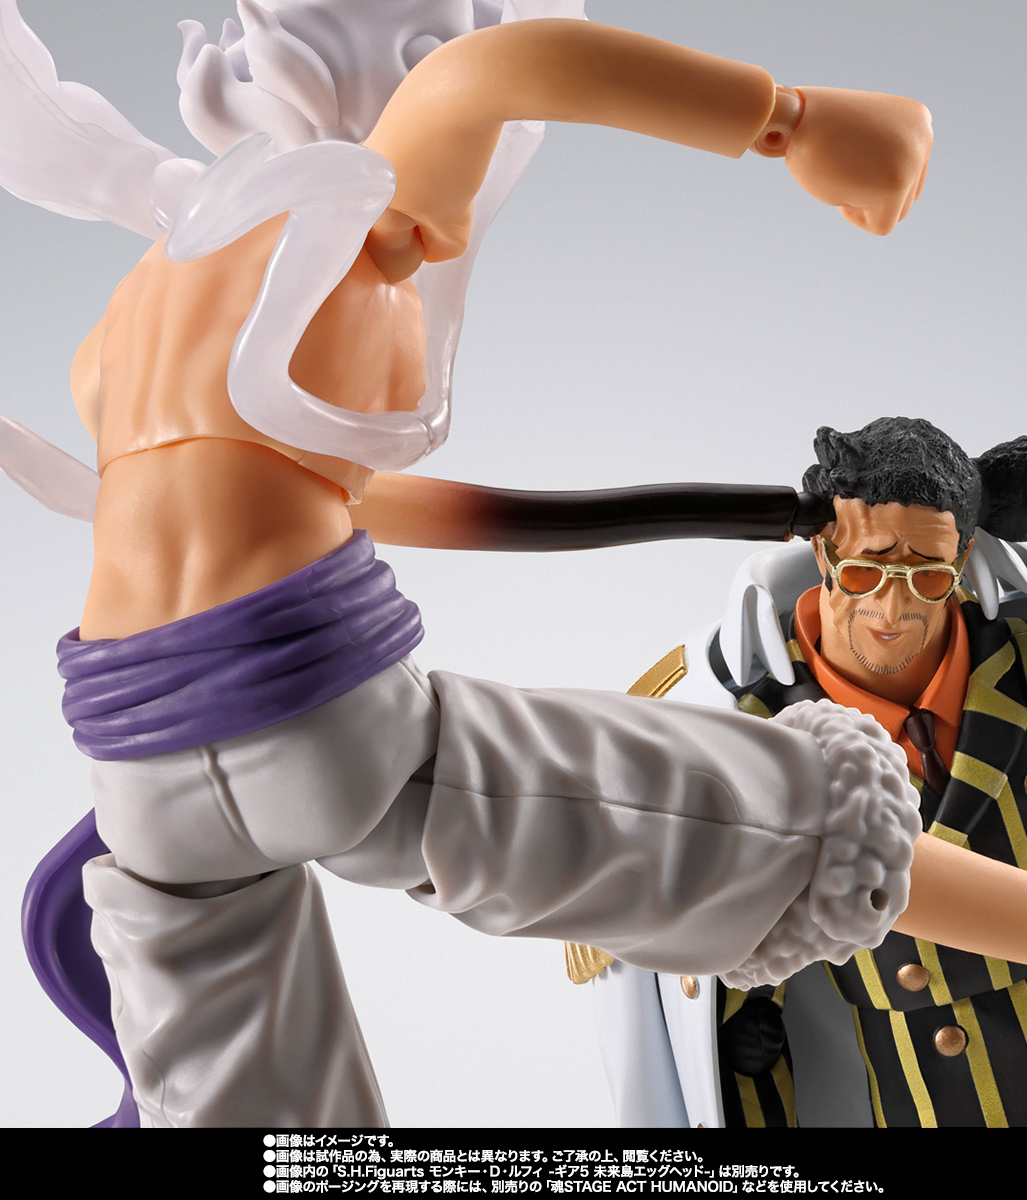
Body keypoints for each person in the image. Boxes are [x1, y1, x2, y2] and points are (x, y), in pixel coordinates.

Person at [3, 2, 944, 1127]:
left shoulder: (164, 270)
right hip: (316, 724)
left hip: (141, 787)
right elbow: (502, 69)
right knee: (803, 830)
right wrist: (799, 122)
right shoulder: (350, 210)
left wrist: (725, 512)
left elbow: (367, 505)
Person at [589, 416, 1027, 1128]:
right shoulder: (756, 744)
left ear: (963, 556)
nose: (893, 606)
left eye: (927, 574)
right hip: (931, 1087)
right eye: (865, 570)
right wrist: (749, 1046)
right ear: (823, 550)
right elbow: (734, 958)